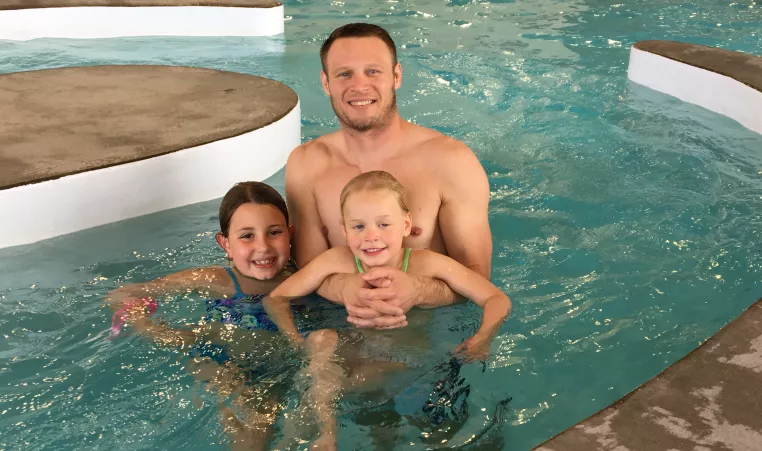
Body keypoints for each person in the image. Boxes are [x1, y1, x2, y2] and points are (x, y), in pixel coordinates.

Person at [264, 171, 512, 450]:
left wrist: (482, 339)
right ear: (344, 230)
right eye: (358, 227)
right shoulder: (336, 261)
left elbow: (496, 299)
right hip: (358, 366)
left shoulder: (426, 264)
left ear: (406, 224)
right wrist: (295, 341)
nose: (371, 236)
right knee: (320, 341)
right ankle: (326, 436)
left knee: (442, 437)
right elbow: (276, 298)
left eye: (384, 224)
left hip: (411, 367)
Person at [285, 23, 493, 329]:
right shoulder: (306, 164)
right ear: (326, 83)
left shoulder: (450, 161)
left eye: (373, 71)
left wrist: (418, 290)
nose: (359, 86)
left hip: (429, 334)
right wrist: (344, 288)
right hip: (341, 329)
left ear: (396, 76)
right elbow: (307, 269)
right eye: (344, 74)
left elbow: (477, 275)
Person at [106, 181, 337, 451]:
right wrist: (156, 330)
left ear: (290, 234)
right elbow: (122, 294)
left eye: (274, 232)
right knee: (253, 432)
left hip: (280, 367)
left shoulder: (305, 281)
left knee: (299, 421)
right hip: (222, 363)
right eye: (247, 236)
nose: (263, 247)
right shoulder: (215, 280)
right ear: (225, 244)